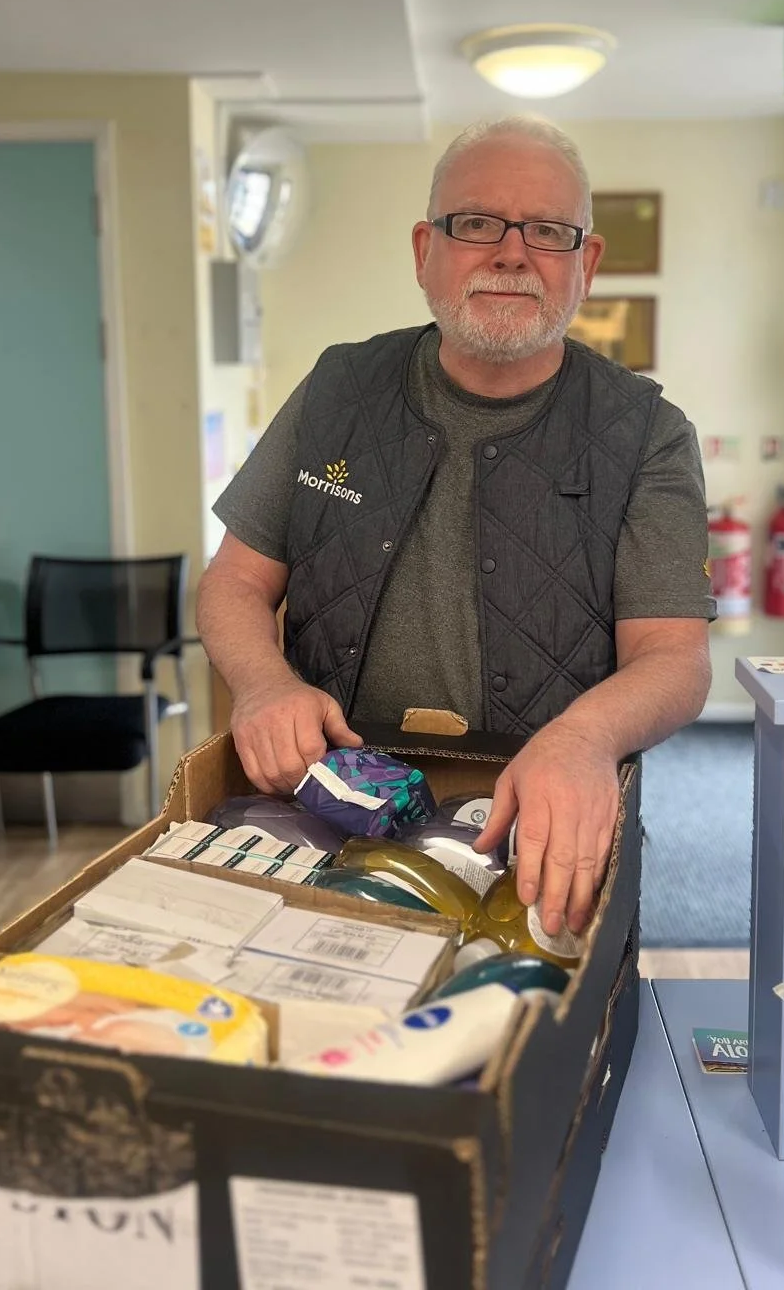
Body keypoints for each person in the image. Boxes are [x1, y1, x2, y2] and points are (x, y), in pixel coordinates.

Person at [198, 116, 714, 939]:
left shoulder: (647, 433)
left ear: (587, 263)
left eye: (547, 232)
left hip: (537, 824)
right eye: (476, 223)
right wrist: (264, 684)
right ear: (423, 250)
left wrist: (583, 738)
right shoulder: (338, 391)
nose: (511, 254)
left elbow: (674, 659)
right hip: (325, 803)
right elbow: (235, 582)